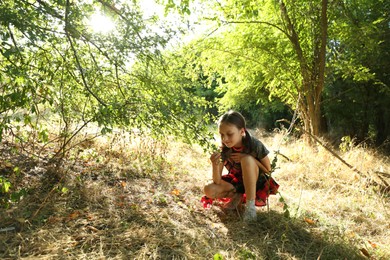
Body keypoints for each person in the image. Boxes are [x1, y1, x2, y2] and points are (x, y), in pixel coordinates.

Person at [201, 110, 279, 221]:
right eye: (222, 134)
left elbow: (268, 171)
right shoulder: (224, 149)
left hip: (256, 182)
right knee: (208, 189)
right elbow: (217, 182)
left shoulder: (255, 145)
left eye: (229, 134)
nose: (225, 139)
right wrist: (214, 165)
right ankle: (237, 197)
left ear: (242, 131)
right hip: (237, 182)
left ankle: (250, 207)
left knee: (247, 159)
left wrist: (248, 158)